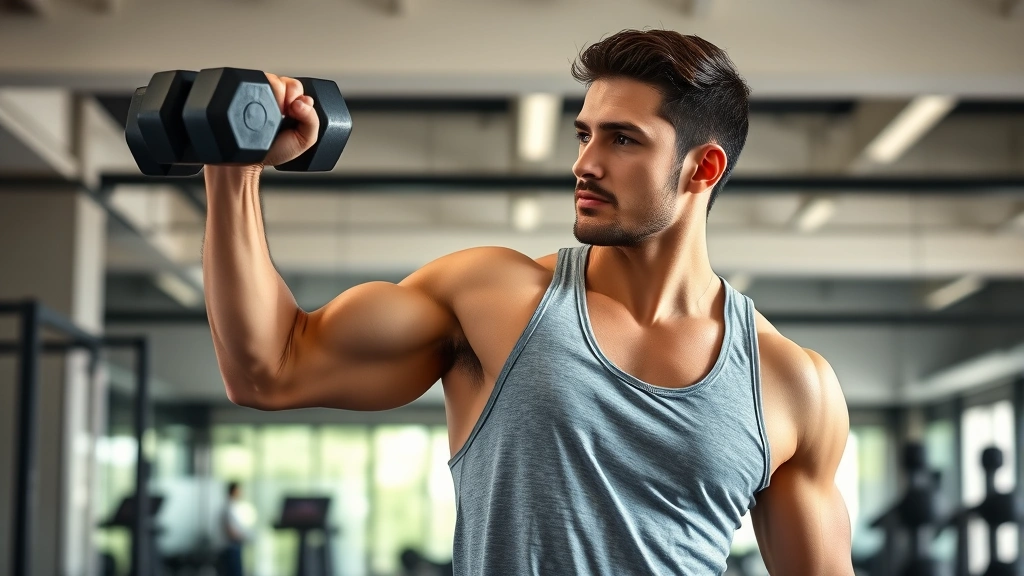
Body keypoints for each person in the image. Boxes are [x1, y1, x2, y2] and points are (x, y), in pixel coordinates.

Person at [202, 29, 854, 575]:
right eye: (584, 135)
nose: (585, 163)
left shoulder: (791, 384)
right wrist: (235, 166)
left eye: (622, 139)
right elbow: (270, 368)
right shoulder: (495, 299)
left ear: (702, 169)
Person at [219, 481, 250, 576]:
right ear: (234, 491)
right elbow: (230, 530)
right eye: (239, 491)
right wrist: (243, 537)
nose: (241, 493)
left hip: (233, 546)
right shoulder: (228, 508)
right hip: (231, 547)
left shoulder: (233, 507)